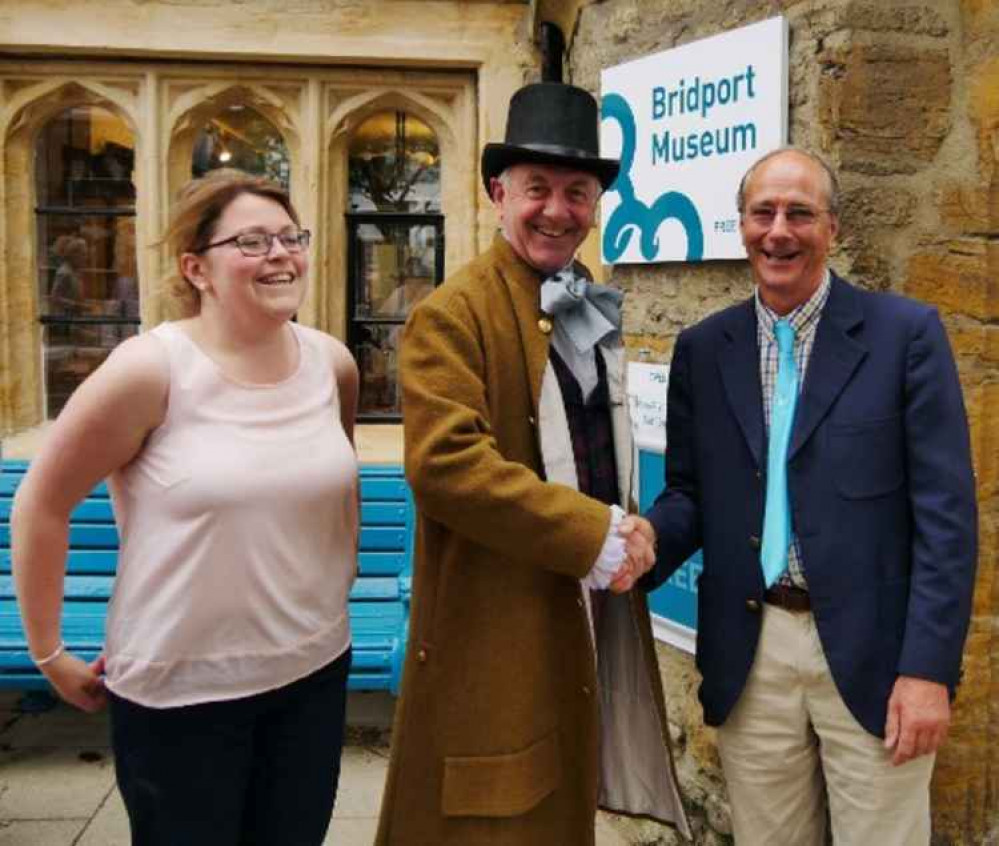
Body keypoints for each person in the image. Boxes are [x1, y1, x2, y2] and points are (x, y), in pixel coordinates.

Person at [375, 82, 690, 845]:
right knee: (502, 810)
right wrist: (599, 534)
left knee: (560, 795)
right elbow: (448, 467)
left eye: (577, 193)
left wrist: (630, 531)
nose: (557, 210)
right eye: (537, 189)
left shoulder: (582, 299)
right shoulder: (452, 313)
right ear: (497, 192)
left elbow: (591, 447)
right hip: (500, 618)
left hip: (578, 604)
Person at [12, 169, 360, 846]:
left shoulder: (332, 364)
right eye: (252, 241)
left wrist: (335, 580)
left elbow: (332, 484)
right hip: (180, 692)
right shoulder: (149, 370)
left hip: (312, 672)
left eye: (291, 237)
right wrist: (48, 650)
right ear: (195, 267)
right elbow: (40, 505)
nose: (281, 255)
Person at [643, 147, 978, 845]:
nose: (778, 231)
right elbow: (687, 494)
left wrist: (925, 671)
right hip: (750, 650)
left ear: (831, 228)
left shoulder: (903, 335)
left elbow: (946, 519)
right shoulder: (705, 349)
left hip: (873, 657)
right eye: (762, 212)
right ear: (739, 225)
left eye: (799, 213)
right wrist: (633, 543)